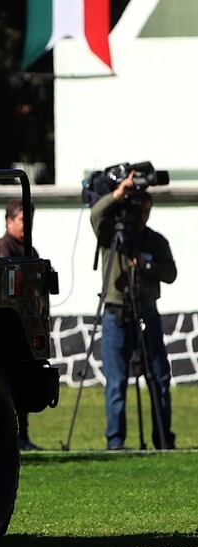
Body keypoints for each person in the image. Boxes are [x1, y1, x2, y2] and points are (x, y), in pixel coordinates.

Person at [91, 172, 176, 450]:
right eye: (139, 209)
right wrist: (119, 192)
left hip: (147, 312)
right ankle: (116, 443)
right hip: (116, 311)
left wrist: (146, 266)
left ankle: (163, 440)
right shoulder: (109, 235)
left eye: (147, 211)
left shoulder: (155, 241)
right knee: (116, 384)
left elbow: (171, 273)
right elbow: (96, 214)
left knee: (159, 379)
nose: (142, 216)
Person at [0, 198, 41, 451]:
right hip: (3, 331)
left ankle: (22, 437)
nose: (27, 225)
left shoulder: (29, 250)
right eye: (22, 219)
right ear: (9, 221)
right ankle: (6, 439)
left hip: (25, 327)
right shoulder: (1, 251)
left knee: (22, 384)